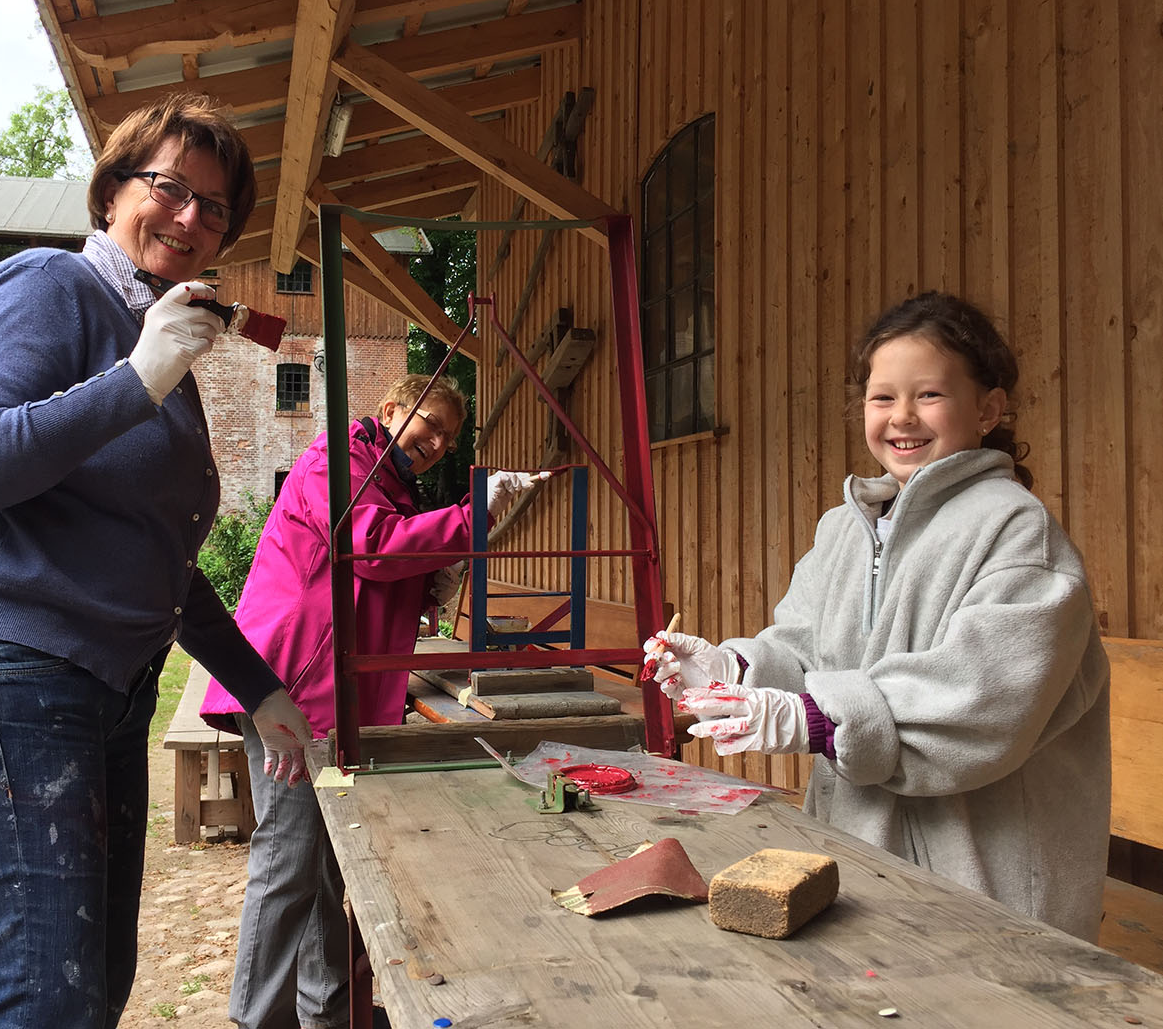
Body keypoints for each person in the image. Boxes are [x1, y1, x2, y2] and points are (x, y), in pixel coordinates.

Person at [0, 93, 314, 1029]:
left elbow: (156, 556)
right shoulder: (49, 286)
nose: (190, 218)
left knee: (96, 987)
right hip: (6, 671)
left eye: (215, 209)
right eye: (170, 187)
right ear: (113, 187)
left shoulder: (161, 336)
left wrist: (259, 688)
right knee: (51, 1002)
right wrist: (135, 378)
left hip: (111, 690)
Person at [644, 291, 1110, 941]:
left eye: (929, 395)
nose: (902, 416)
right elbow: (807, 645)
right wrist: (736, 666)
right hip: (857, 859)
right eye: (882, 396)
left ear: (988, 408)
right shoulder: (843, 528)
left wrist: (817, 716)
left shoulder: (1016, 531)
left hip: (987, 894)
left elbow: (983, 696)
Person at [200, 374, 546, 1029]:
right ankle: (258, 1018)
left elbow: (383, 579)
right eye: (428, 423)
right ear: (390, 410)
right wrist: (474, 517)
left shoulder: (394, 486)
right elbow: (369, 546)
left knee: (330, 862)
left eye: (447, 437)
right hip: (294, 691)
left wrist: (435, 582)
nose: (437, 442)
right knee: (290, 860)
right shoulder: (337, 461)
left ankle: (328, 1010)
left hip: (339, 697)